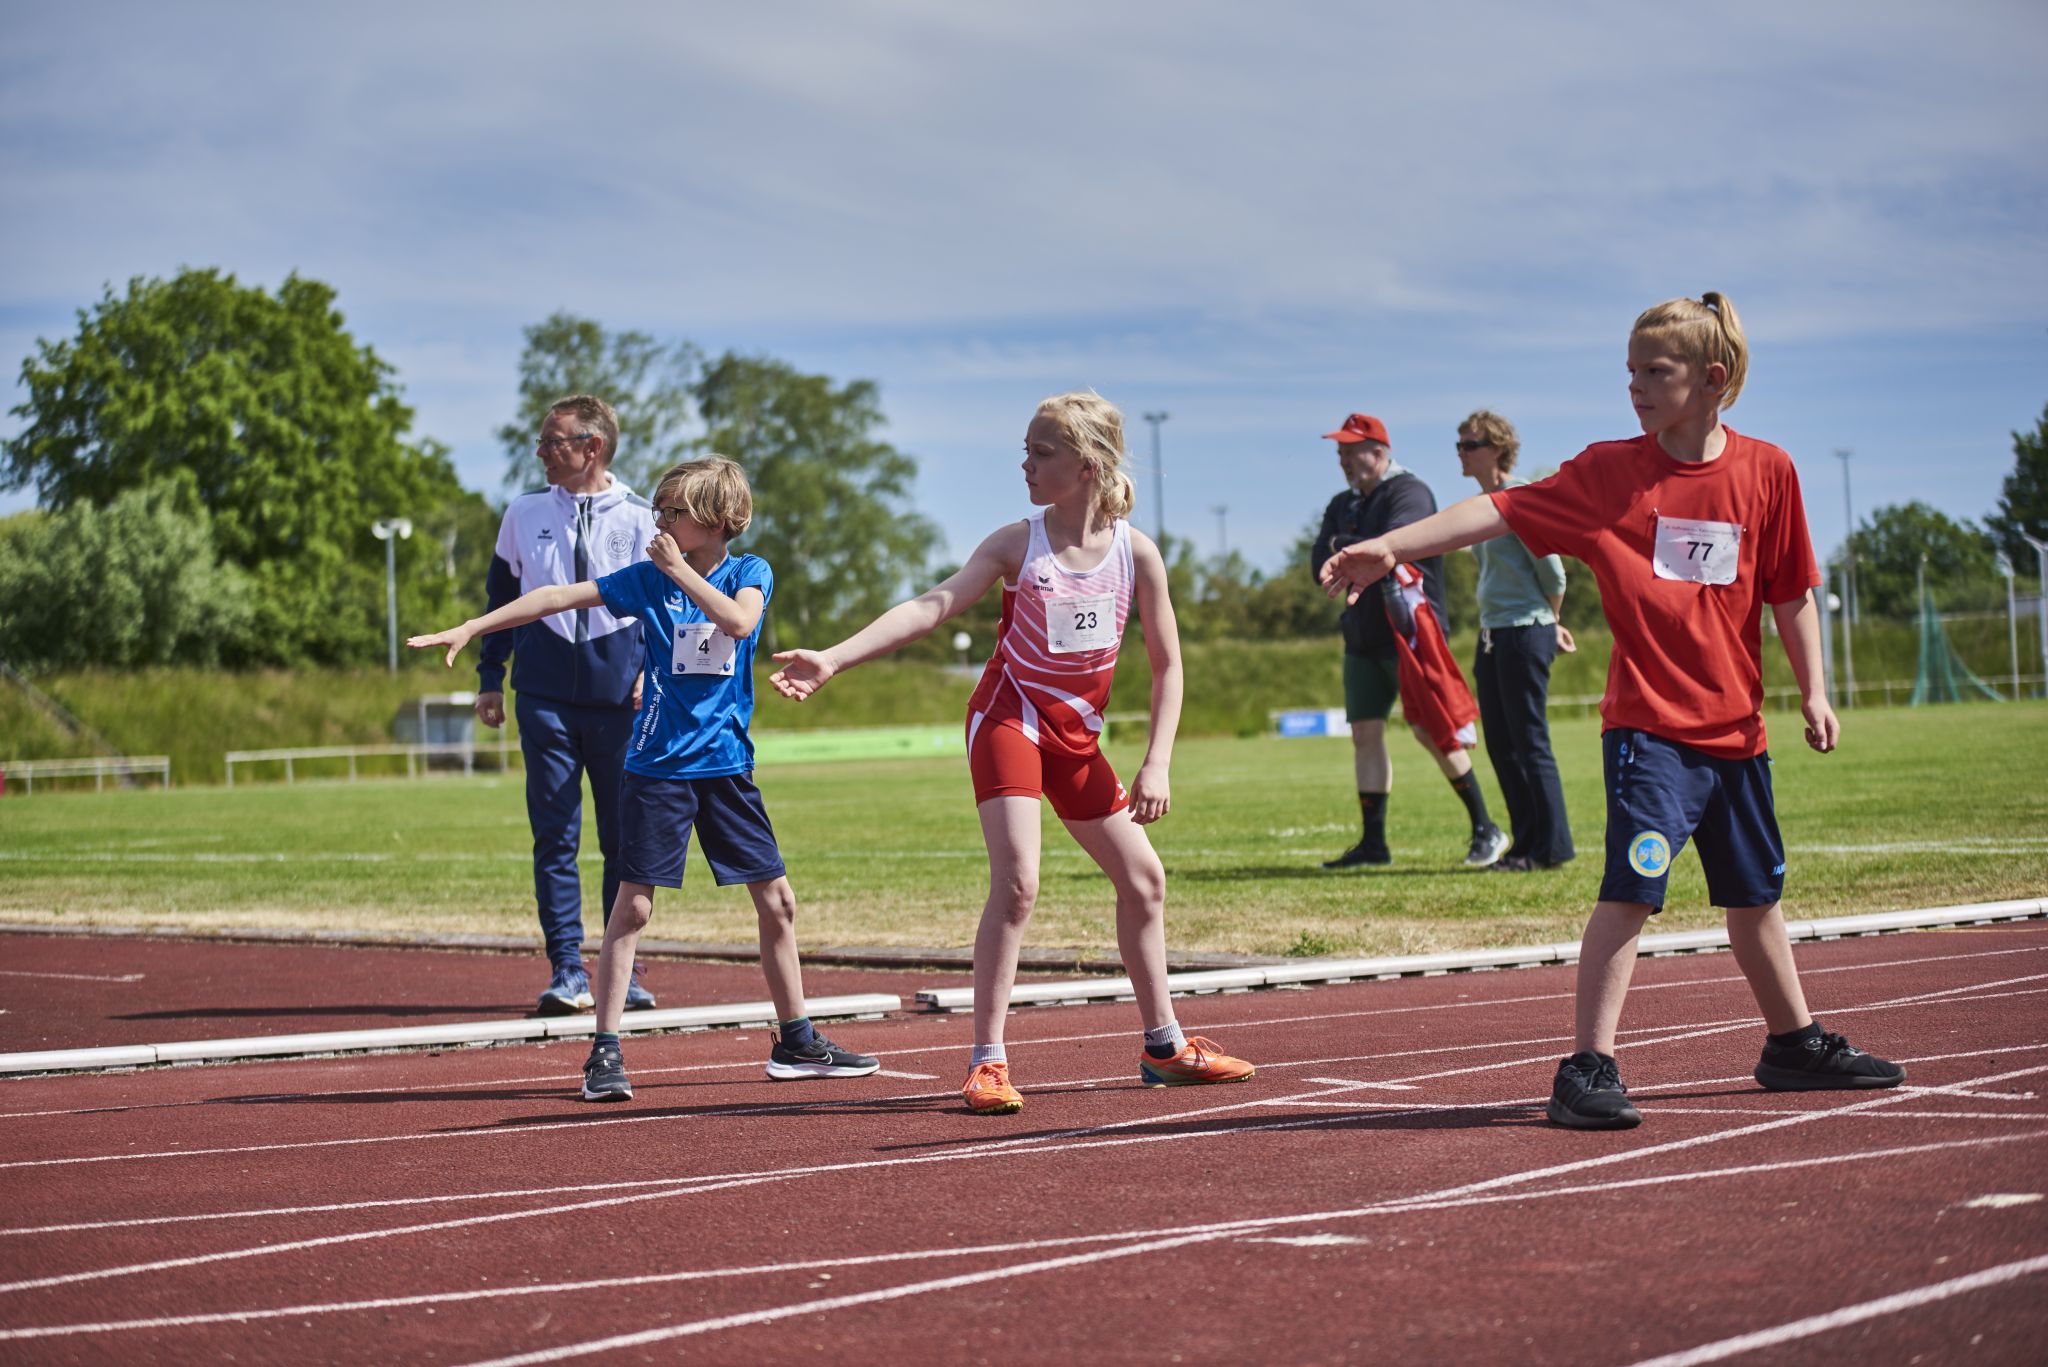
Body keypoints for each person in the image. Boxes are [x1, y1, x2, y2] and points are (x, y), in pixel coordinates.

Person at [1320, 293, 1905, 1130]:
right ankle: (1586, 1065)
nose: (1634, 385)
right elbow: (1496, 510)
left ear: (1713, 379)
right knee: (1631, 891)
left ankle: (1793, 1043)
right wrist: (1388, 546)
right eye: (1629, 370)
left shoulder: (1769, 471)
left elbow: (1792, 591)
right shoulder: (1608, 474)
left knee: (1756, 898)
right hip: (1650, 732)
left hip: (1737, 734)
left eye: (1654, 371)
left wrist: (1813, 688)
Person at [769, 392, 1254, 1116]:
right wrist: (835, 658)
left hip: (1076, 736)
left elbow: (1168, 664)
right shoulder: (1016, 545)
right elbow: (933, 605)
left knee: (1145, 881)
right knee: (1020, 883)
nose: (1025, 464)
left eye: (1041, 452)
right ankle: (987, 1061)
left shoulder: (1136, 552)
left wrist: (1158, 760)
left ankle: (1164, 1047)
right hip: (1009, 720)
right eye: (1025, 450)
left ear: (1087, 465)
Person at [413, 456, 879, 1102]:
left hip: (726, 769)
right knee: (632, 907)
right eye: (656, 510)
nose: (658, 522)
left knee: (778, 902)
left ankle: (795, 1040)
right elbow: (556, 597)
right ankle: (604, 1051)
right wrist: (474, 626)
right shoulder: (646, 580)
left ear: (715, 519)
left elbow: (738, 623)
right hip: (658, 768)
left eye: (671, 512)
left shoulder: (749, 572)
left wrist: (678, 571)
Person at [477, 395, 657, 1016]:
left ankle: (621, 971)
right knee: (555, 836)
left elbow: (665, 606)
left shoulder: (642, 517)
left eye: (552, 442)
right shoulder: (523, 512)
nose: (541, 453)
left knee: (623, 841)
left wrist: (652, 674)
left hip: (621, 704)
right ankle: (567, 970)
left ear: (592, 446)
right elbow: (501, 599)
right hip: (545, 700)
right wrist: (490, 676)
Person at [1310, 413, 1508, 870]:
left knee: (1431, 729)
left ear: (1379, 452)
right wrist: (1350, 544)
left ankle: (1486, 827)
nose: (1343, 460)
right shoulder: (1342, 503)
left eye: (1351, 451)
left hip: (1411, 635)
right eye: (1339, 452)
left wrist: (1347, 544)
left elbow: (1394, 546)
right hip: (1362, 636)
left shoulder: (1409, 492)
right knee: (1365, 734)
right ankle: (1373, 843)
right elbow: (1319, 560)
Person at [1456, 411, 1577, 872]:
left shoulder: (1520, 498)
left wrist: (1551, 620)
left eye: (1470, 445)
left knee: (1529, 741)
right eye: (1459, 445)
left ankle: (1550, 848)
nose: (1461, 453)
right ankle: (1525, 844)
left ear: (1497, 449)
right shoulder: (1483, 504)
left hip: (1525, 631)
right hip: (1494, 634)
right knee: (1501, 745)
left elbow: (1554, 573)